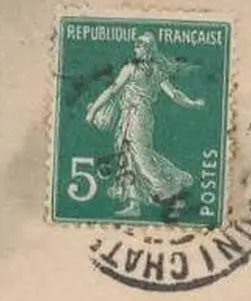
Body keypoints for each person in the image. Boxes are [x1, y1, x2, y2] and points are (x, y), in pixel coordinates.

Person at [84, 32, 205, 217]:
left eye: (138, 46)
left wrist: (93, 111)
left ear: (146, 49)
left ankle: (172, 194)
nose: (135, 49)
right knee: (128, 157)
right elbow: (175, 94)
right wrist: (193, 103)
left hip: (135, 117)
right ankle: (134, 204)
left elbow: (112, 90)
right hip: (136, 116)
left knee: (141, 157)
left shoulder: (131, 68)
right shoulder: (157, 71)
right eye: (136, 46)